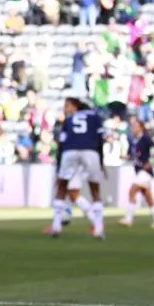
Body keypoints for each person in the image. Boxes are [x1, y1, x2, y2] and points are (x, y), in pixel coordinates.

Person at [50, 97, 106, 239]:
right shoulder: (95, 117)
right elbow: (100, 139)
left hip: (70, 151)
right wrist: (101, 161)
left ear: (76, 107)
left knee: (62, 187)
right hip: (90, 151)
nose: (65, 109)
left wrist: (59, 167)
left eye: (67, 106)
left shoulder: (69, 119)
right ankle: (98, 228)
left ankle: (56, 226)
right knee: (94, 189)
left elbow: (61, 143)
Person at [119, 118, 154, 229]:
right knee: (148, 197)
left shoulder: (145, 138)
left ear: (141, 128)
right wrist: (125, 157)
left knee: (132, 190)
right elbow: (132, 155)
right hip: (139, 171)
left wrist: (150, 162)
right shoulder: (133, 141)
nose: (132, 129)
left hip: (145, 171)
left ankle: (128, 218)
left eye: (135, 127)